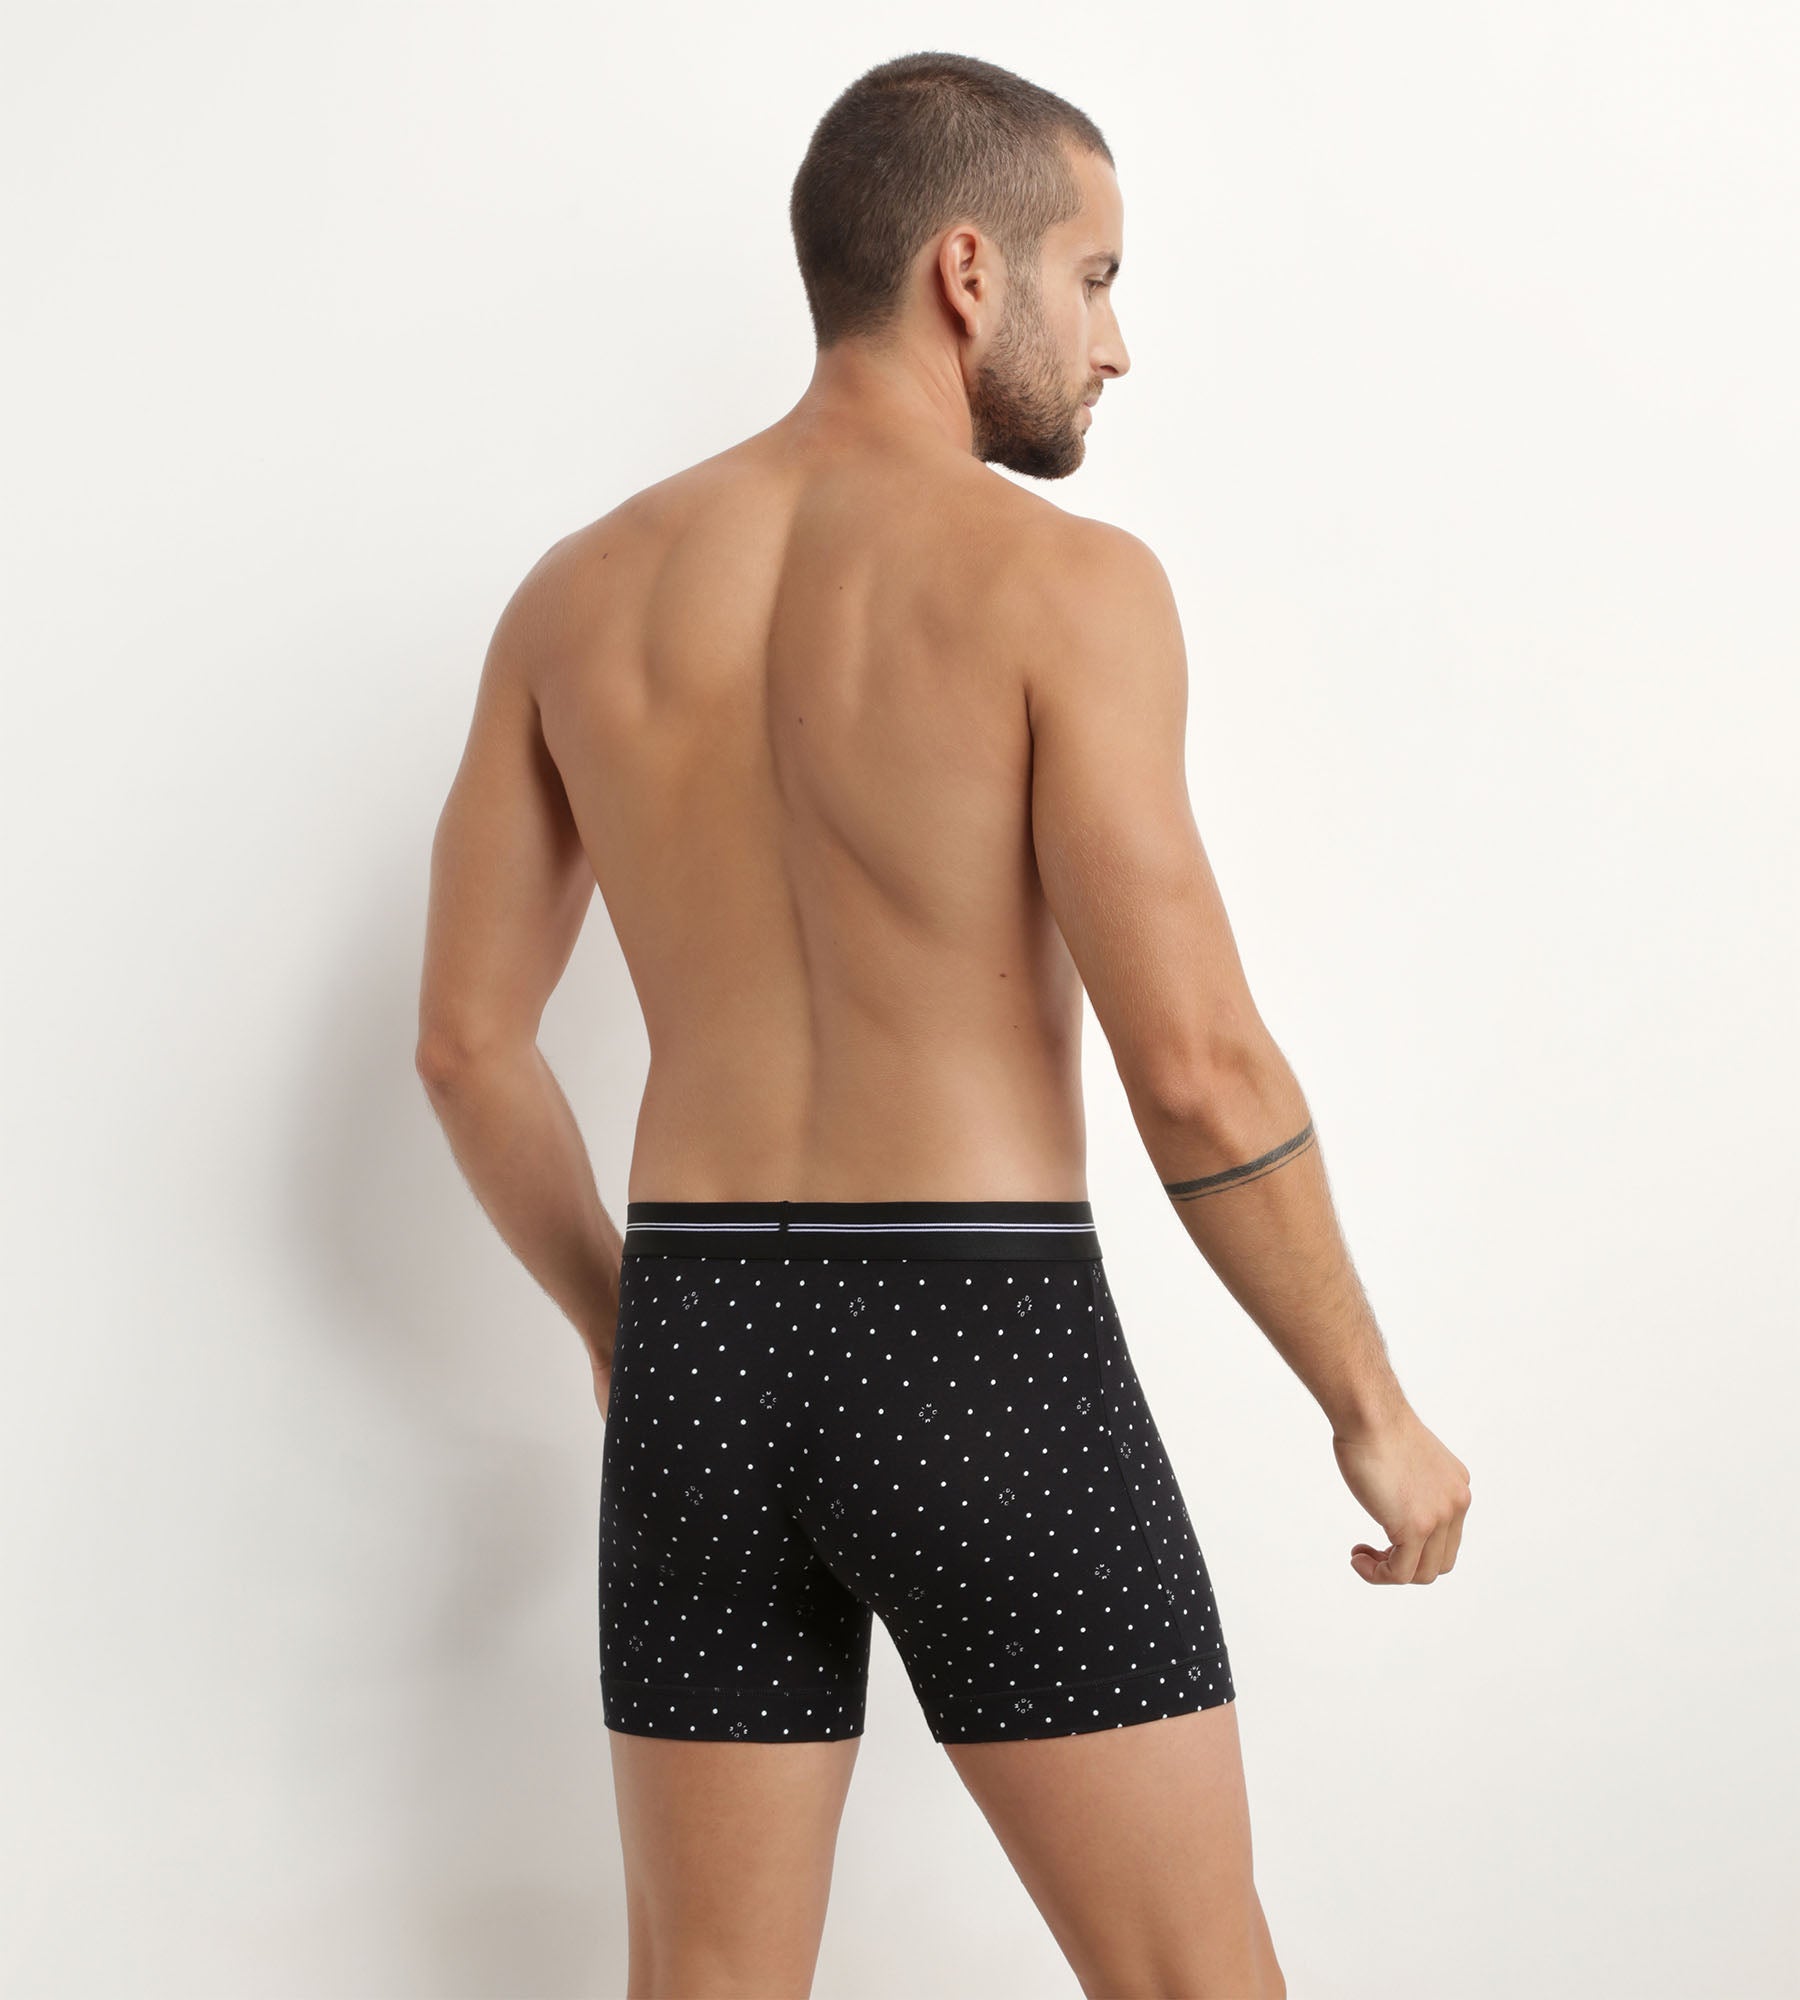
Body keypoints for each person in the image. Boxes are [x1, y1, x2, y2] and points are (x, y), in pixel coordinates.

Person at [415, 48, 1471, 2000]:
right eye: (1099, 278)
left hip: (704, 1356)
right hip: (974, 1341)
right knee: (1191, 1975)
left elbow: (469, 1048)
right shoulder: (1061, 588)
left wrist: (622, 1324)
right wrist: (1369, 1407)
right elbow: (1196, 1067)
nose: (1119, 342)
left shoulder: (579, 597)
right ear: (968, 273)